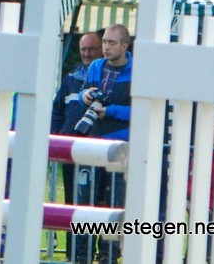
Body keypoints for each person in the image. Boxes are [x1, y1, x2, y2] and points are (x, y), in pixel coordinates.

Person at [72, 24, 133, 264]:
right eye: (105, 41)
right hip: (93, 143)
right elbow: (86, 93)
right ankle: (81, 255)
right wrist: (83, 96)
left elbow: (141, 111)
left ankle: (109, 254)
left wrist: (109, 110)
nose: (106, 47)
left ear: (125, 46)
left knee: (116, 203)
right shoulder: (96, 66)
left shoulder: (138, 70)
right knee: (85, 201)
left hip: (120, 147)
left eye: (111, 43)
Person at [51, 32, 103, 204]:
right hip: (70, 148)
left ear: (102, 49)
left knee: (94, 203)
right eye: (83, 49)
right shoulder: (70, 79)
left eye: (92, 49)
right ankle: (72, 232)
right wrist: (57, 137)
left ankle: (87, 231)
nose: (87, 54)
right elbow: (57, 111)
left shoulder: (108, 78)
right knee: (71, 200)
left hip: (96, 149)